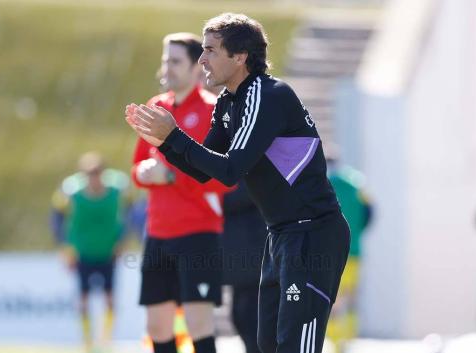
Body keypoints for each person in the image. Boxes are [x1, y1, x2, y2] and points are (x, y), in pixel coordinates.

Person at [125, 13, 350, 353]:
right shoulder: (229, 102)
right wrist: (165, 143)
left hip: (312, 234)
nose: (202, 59)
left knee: (294, 345)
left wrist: (174, 136)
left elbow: (231, 170)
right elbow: (204, 170)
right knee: (267, 343)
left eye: (211, 51)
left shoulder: (265, 94)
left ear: (240, 56)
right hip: (281, 235)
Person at [131, 32, 229, 353]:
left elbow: (223, 178)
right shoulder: (156, 108)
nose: (167, 68)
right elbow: (137, 170)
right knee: (157, 326)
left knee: (198, 323)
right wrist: (146, 175)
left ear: (197, 68)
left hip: (198, 233)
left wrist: (170, 175)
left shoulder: (213, 111)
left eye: (175, 61)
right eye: (164, 60)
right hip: (158, 233)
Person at [50, 152, 127, 352]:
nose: (93, 177)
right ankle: (87, 342)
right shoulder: (71, 193)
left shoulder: (116, 191)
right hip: (83, 252)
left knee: (110, 298)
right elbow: (57, 218)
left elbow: (128, 214)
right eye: (89, 173)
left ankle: (106, 341)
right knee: (83, 298)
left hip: (107, 252)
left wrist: (122, 242)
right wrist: (65, 248)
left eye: (97, 173)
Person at [325, 157, 372, 351]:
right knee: (351, 296)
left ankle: (335, 341)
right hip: (354, 250)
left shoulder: (323, 182)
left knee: (333, 297)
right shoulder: (357, 183)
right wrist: (358, 232)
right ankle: (349, 338)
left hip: (330, 252)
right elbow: (370, 213)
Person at [220, 180, 267, 353]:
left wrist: (211, 194)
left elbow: (237, 196)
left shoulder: (250, 164)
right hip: (240, 255)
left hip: (252, 252)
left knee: (250, 317)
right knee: (240, 315)